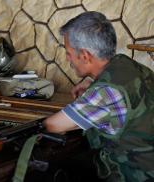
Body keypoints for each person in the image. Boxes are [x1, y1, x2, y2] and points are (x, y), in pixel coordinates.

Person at [44, 11, 154, 181]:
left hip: (135, 174)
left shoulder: (106, 92)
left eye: (68, 52)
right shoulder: (127, 65)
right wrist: (92, 85)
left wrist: (94, 93)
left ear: (85, 55)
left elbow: (54, 125)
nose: (68, 59)